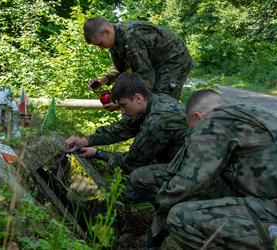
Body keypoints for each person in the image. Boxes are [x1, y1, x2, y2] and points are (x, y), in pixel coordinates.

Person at [146, 89, 277, 249]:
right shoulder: (251, 115)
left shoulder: (213, 120)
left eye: (194, 130)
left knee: (180, 218)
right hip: (268, 198)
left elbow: (187, 183)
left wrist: (158, 222)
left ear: (199, 117)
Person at [65, 73, 187, 200]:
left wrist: (98, 153)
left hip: (194, 171)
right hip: (181, 159)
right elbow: (121, 129)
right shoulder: (153, 101)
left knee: (137, 178)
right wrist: (84, 141)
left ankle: (163, 208)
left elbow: (130, 163)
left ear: (138, 98)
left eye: (123, 105)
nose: (122, 111)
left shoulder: (158, 120)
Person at [83, 16, 193, 110]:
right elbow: (120, 68)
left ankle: (172, 130)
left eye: (100, 44)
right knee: (149, 102)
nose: (101, 48)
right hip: (157, 63)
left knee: (161, 101)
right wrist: (102, 81)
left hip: (174, 59)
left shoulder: (131, 37)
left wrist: (121, 104)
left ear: (106, 32)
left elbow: (145, 77)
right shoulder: (115, 41)